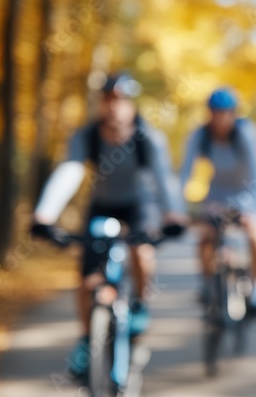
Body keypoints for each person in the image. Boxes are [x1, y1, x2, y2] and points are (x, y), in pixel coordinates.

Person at [30, 71, 186, 378]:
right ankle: (88, 340)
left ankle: (140, 305)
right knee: (87, 280)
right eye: (108, 100)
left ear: (131, 104)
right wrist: (44, 215)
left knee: (141, 251)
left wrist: (174, 216)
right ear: (101, 103)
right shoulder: (86, 136)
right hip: (102, 204)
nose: (114, 107)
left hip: (139, 203)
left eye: (121, 100)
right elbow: (70, 171)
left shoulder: (148, 138)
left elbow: (163, 177)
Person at [178, 87, 256, 315]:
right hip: (217, 195)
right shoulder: (200, 136)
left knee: (255, 236)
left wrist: (252, 211)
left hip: (249, 194)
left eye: (225, 112)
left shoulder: (246, 133)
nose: (220, 117)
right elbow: (184, 174)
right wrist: (178, 209)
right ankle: (209, 286)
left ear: (234, 113)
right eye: (215, 112)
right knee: (205, 238)